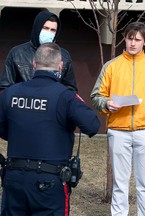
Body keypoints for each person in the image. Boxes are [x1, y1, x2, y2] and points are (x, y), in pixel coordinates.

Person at [0, 42, 100, 215]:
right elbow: (92, 125)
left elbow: (2, 129)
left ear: (34, 64)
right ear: (60, 66)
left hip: (14, 177)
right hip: (49, 182)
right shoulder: (65, 96)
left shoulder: (10, 93)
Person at [90, 22, 145, 216]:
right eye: (130, 38)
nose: (133, 43)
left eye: (138, 39)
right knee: (120, 184)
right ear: (124, 39)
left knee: (144, 184)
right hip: (118, 131)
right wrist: (107, 104)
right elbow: (96, 96)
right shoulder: (111, 66)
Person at [0, 10, 77, 91]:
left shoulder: (63, 55)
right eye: (45, 28)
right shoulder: (17, 53)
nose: (49, 33)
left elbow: (70, 89)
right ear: (37, 28)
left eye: (53, 30)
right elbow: (5, 87)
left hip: (52, 102)